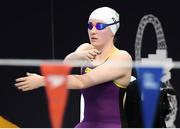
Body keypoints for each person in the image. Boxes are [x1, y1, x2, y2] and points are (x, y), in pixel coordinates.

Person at [15, 7, 132, 128]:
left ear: (112, 31)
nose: (93, 31)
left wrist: (42, 81)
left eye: (100, 26)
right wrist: (78, 55)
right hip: (86, 125)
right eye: (90, 26)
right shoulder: (86, 48)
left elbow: (83, 82)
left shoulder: (122, 58)